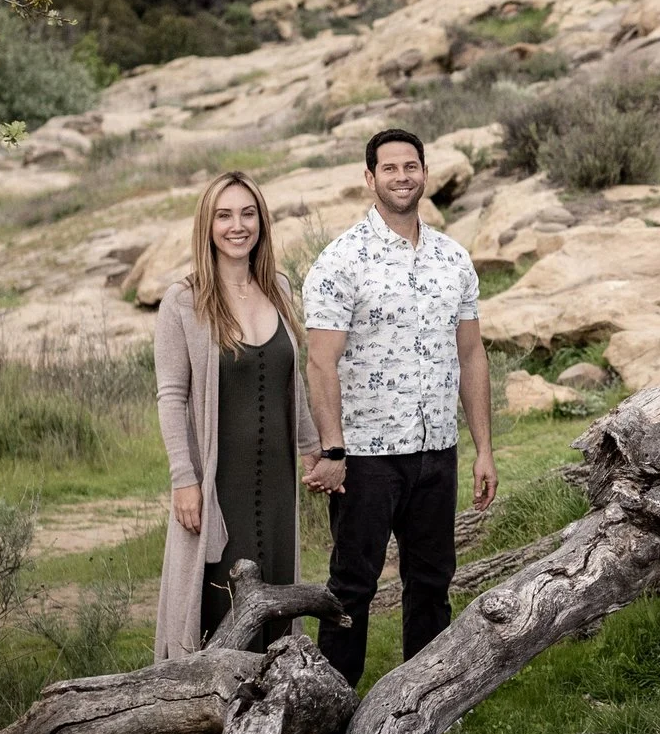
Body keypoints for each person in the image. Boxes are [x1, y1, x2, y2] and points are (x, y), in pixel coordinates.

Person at [301, 128, 497, 685]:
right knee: (353, 584)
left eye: (411, 166)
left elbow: (471, 351)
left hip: (438, 449)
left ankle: (424, 697)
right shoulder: (341, 261)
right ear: (370, 178)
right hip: (367, 456)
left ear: (425, 174)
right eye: (389, 168)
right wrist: (333, 448)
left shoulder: (452, 259)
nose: (402, 177)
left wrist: (484, 448)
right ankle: (330, 704)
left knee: (432, 581)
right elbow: (320, 363)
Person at [153, 172, 322, 661]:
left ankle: (274, 696)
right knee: (220, 592)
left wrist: (313, 449)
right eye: (224, 215)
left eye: (247, 214)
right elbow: (170, 396)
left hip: (276, 480)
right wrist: (184, 479)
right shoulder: (182, 302)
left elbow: (294, 383)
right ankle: (201, 707)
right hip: (218, 480)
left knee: (275, 578)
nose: (237, 225)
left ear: (262, 222)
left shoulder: (281, 288)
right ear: (207, 224)